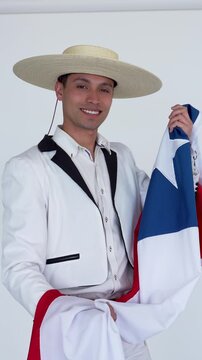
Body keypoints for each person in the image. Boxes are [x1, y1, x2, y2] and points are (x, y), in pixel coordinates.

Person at [1, 45, 201, 360]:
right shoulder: (28, 168)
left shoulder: (122, 156)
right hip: (72, 329)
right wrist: (67, 313)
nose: (94, 99)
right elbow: (18, 266)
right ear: (59, 89)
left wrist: (187, 148)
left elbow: (166, 210)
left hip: (127, 324)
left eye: (104, 89)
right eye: (82, 86)